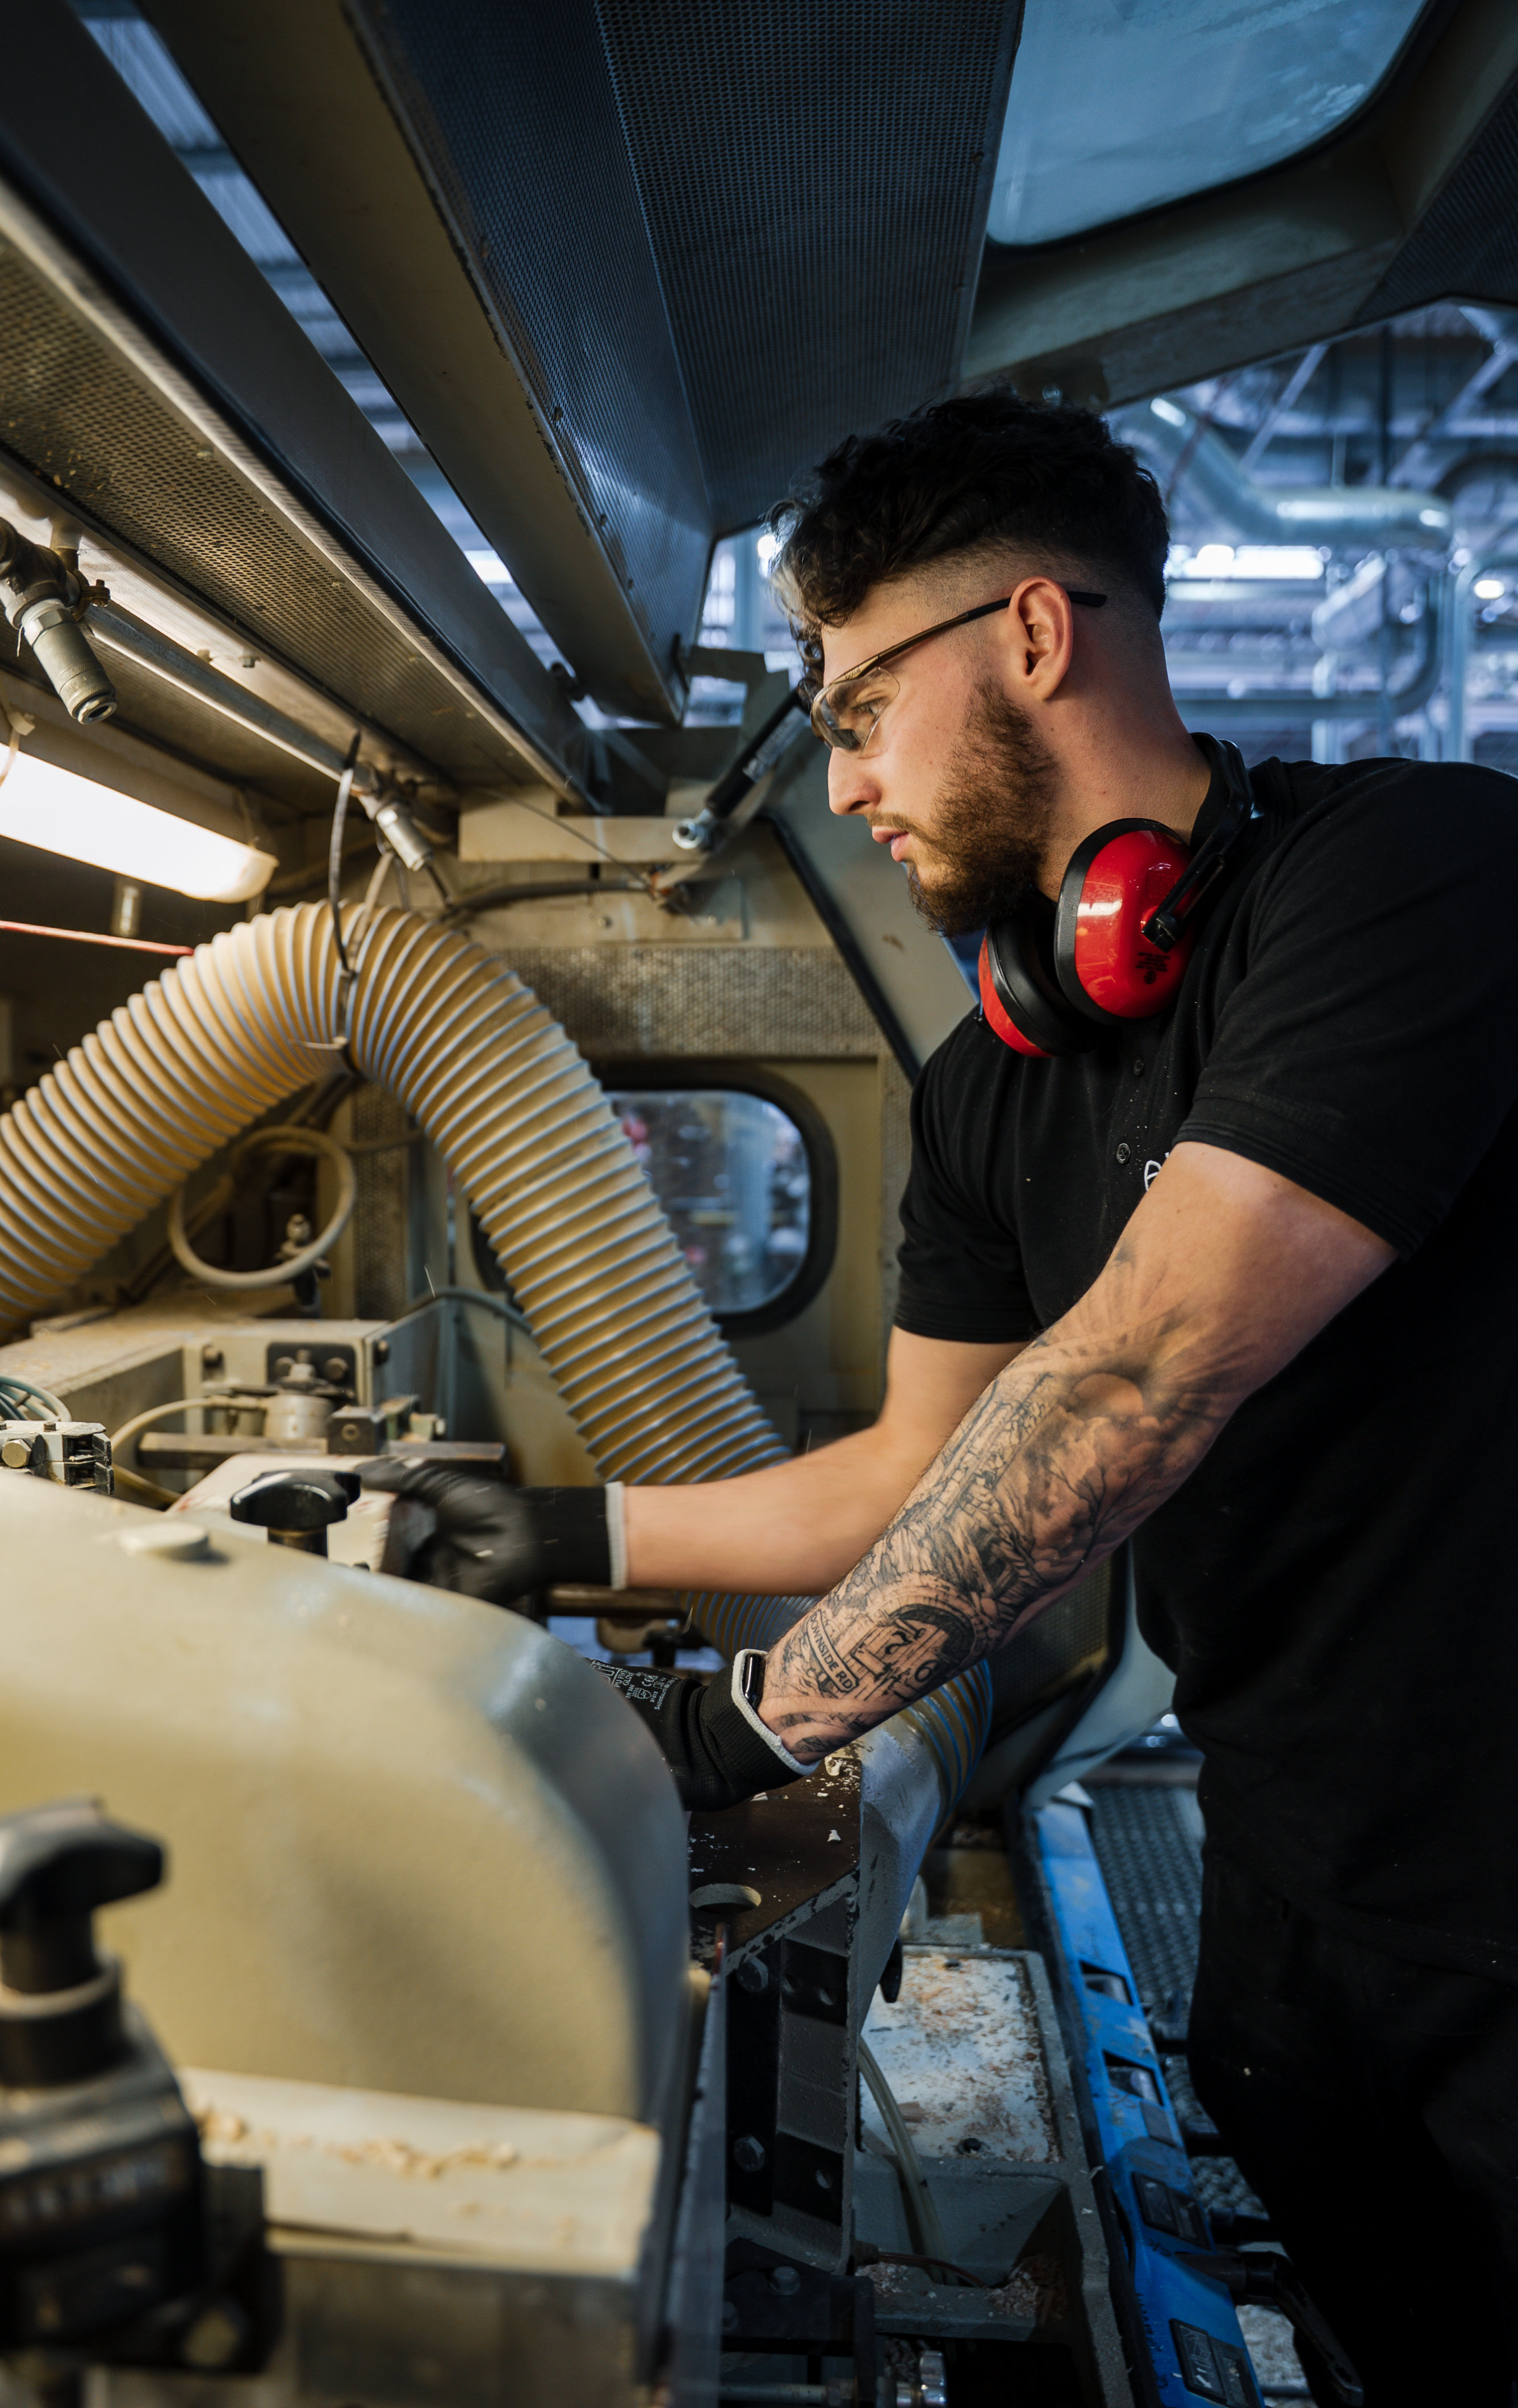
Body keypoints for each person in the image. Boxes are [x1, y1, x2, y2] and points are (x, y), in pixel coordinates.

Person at [367, 394, 1518, 2402]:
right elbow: (915, 1473)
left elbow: (1144, 1371)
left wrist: (737, 1725)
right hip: (1292, 1874)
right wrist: (564, 1537)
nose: (845, 779)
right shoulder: (996, 1079)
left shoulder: (1414, 878)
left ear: (1035, 639)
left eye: (856, 705)